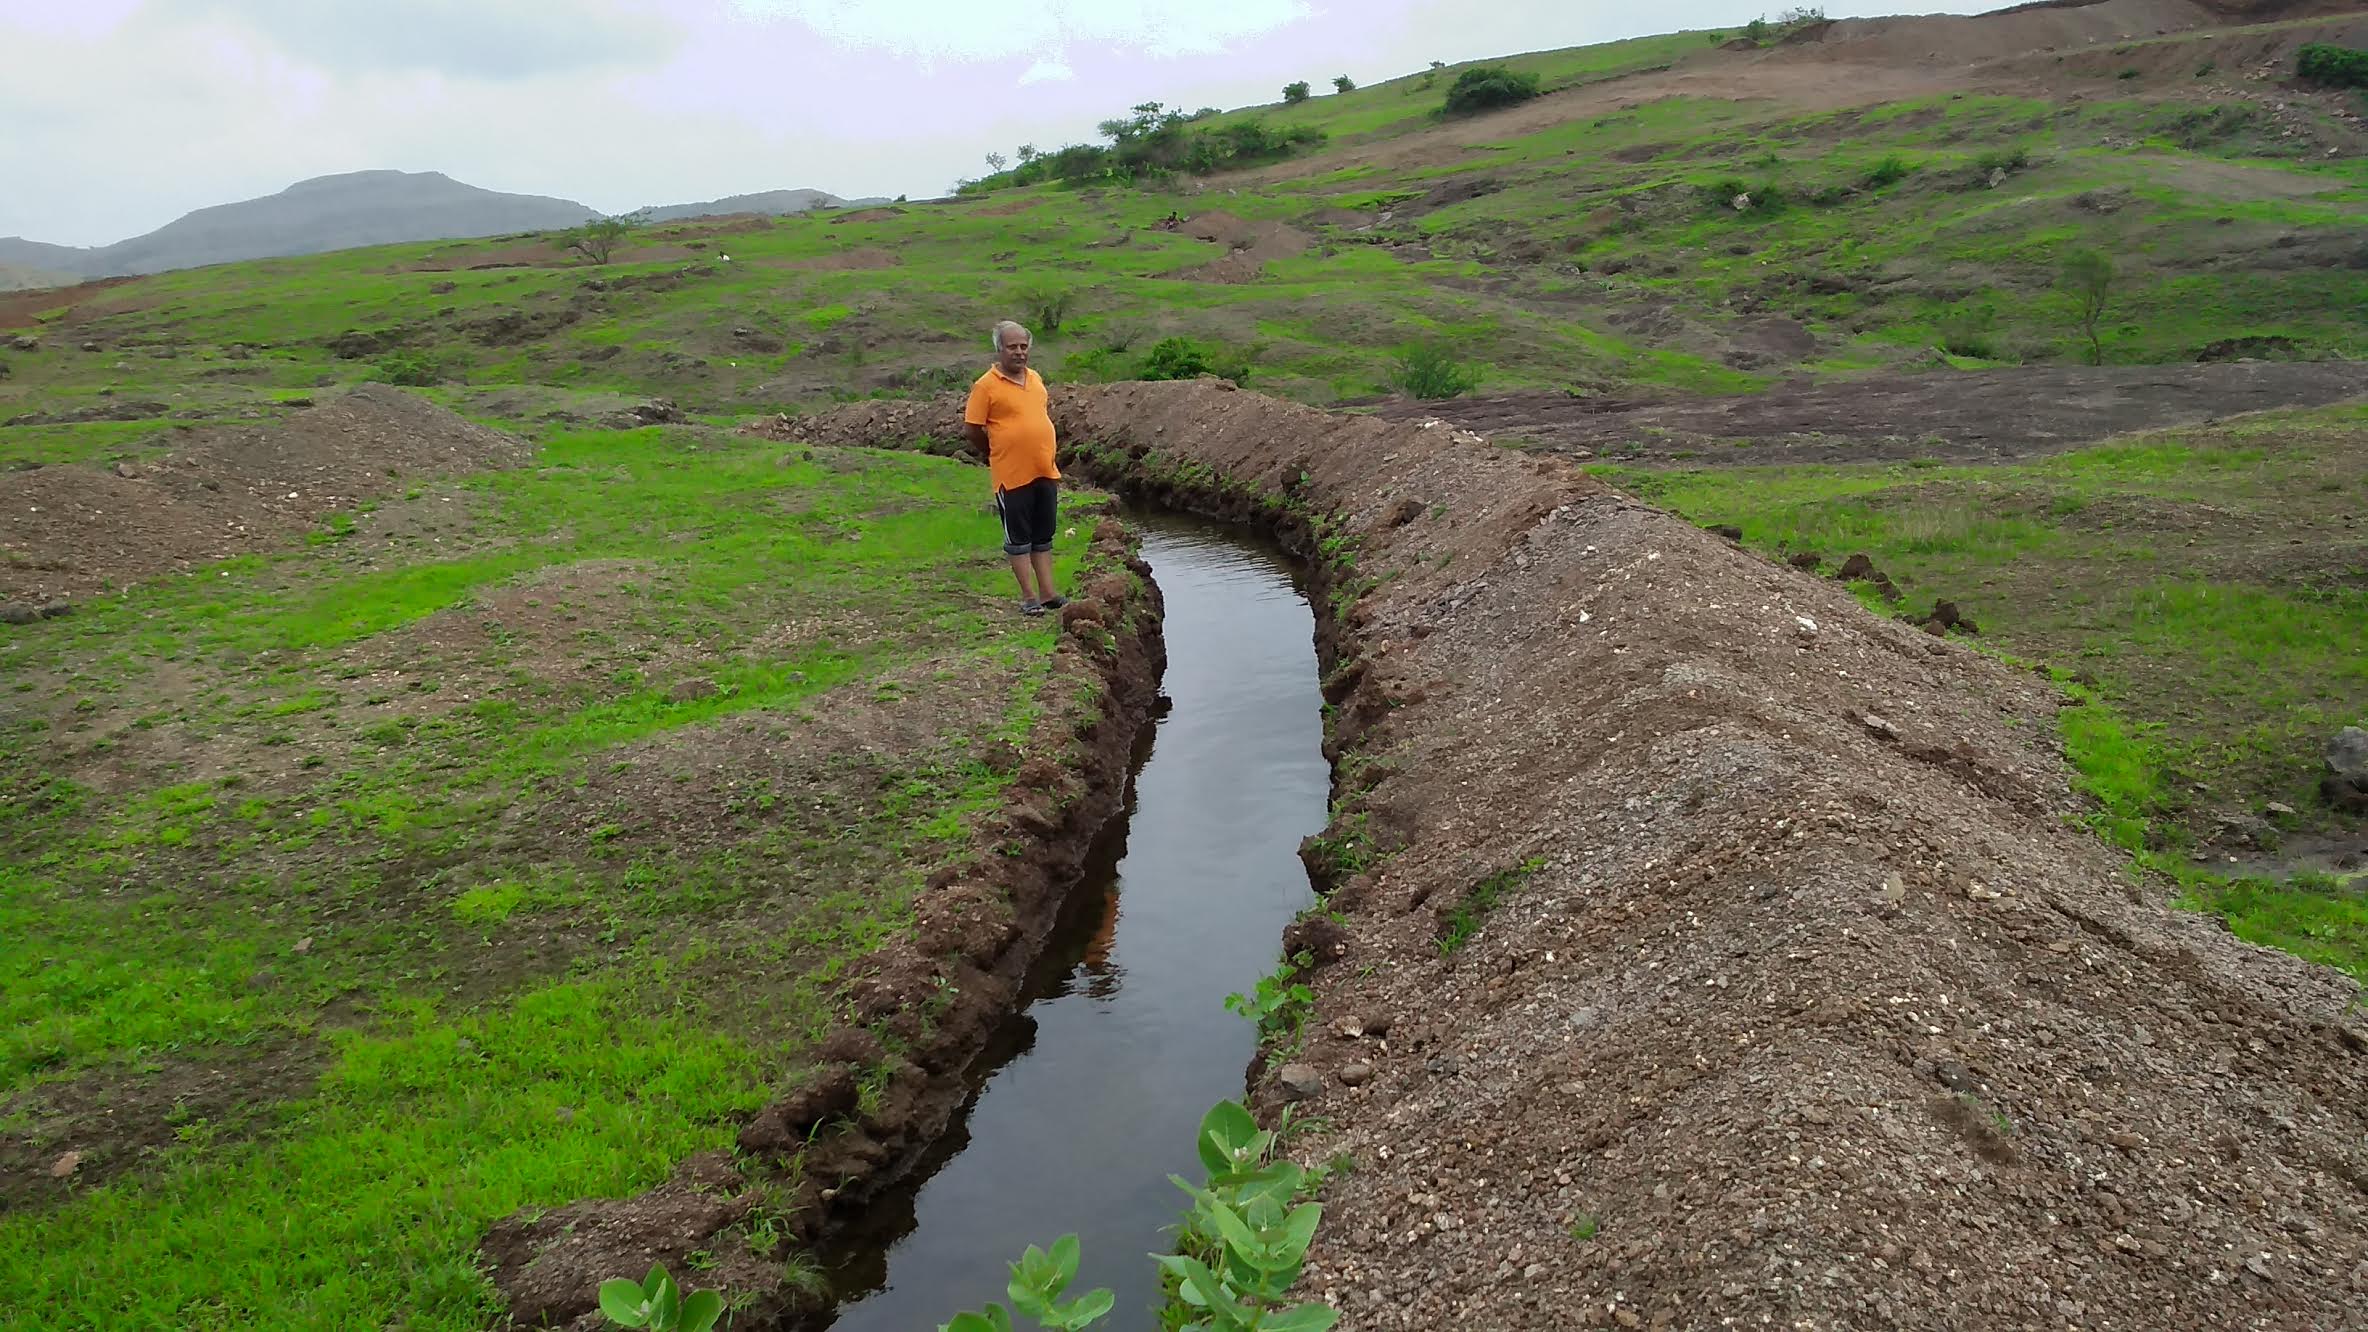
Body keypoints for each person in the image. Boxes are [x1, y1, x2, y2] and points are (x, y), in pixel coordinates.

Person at [963, 319, 1066, 616]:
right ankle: (1029, 597)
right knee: (1019, 540)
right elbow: (972, 428)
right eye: (1012, 347)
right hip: (1012, 475)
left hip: (1044, 470)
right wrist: (995, 452)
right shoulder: (985, 386)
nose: (1019, 352)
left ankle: (1048, 593)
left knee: (1043, 536)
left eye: (1023, 346)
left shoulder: (1035, 378)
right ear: (1000, 350)